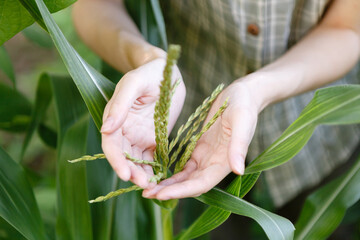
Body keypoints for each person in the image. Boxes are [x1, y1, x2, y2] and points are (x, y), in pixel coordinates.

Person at [72, 0, 360, 207]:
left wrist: (255, 90)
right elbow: (93, 5)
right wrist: (148, 60)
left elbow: (347, 27)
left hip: (313, 124)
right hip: (191, 133)